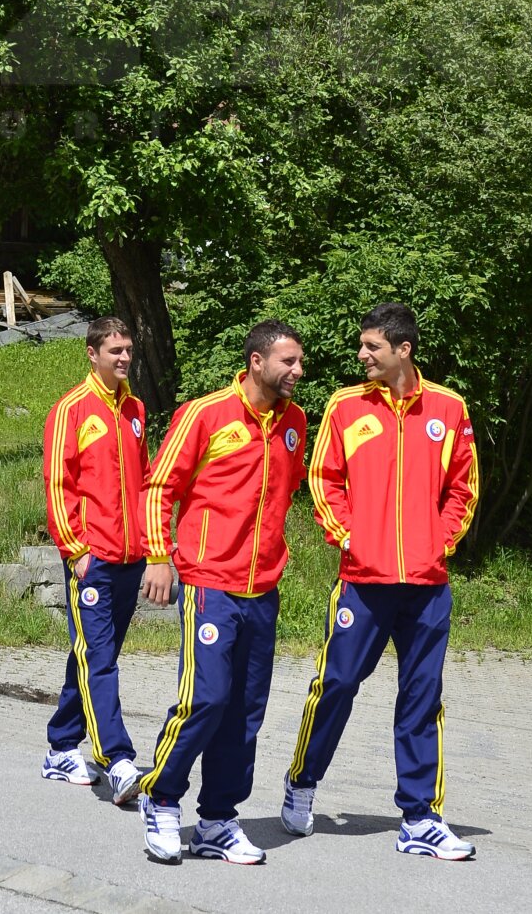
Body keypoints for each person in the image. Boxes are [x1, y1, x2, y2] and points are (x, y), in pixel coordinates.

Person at [281, 302, 479, 861]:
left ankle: (420, 817)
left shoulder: (449, 408)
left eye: (372, 346)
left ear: (403, 350)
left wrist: (439, 543)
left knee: (422, 697)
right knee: (337, 683)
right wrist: (350, 537)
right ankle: (302, 781)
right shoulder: (346, 406)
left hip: (427, 585)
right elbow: (323, 478)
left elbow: (463, 487)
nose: (362, 354)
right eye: (362, 345)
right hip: (363, 582)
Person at [138, 320, 308, 865]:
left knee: (245, 712)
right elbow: (158, 488)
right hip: (210, 582)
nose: (298, 370)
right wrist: (160, 556)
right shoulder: (205, 414)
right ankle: (161, 797)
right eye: (288, 361)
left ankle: (217, 820)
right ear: (257, 361)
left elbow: (285, 491)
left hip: (263, 588)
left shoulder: (294, 422)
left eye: (299, 361)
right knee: (205, 698)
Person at [42, 316, 150, 805]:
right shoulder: (71, 409)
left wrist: (150, 546)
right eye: (115, 351)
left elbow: (143, 483)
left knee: (93, 655)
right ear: (92, 354)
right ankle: (118, 760)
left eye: (128, 350)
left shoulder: (135, 409)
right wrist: (76, 549)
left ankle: (61, 746)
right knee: (98, 657)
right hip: (92, 560)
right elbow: (57, 485)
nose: (124, 358)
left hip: (130, 556)